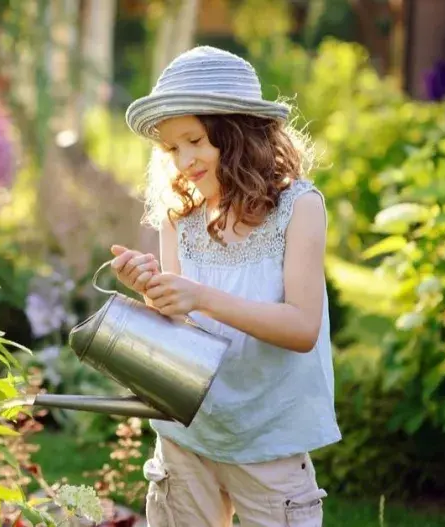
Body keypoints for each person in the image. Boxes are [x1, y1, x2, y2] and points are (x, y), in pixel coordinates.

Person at [109, 46, 341, 527]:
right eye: (172, 148)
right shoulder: (182, 215)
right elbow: (180, 324)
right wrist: (154, 292)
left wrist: (202, 296)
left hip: (267, 439)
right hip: (187, 433)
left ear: (237, 134)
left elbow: (302, 328)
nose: (184, 160)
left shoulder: (299, 208)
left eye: (195, 140)